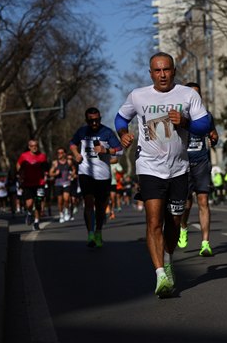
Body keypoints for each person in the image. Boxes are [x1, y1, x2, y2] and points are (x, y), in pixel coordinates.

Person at [115, 52, 212, 298]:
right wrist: (123, 134)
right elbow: (120, 117)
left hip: (179, 168)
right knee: (154, 221)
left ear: (174, 71)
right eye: (157, 71)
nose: (162, 75)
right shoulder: (138, 95)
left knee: (174, 222)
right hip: (149, 166)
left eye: (166, 70)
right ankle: (160, 274)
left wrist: (185, 122)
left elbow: (205, 125)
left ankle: (168, 260)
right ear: (150, 73)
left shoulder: (187, 95)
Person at [70, 107, 123, 248]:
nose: (94, 123)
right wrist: (76, 154)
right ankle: (90, 234)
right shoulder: (82, 131)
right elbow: (72, 144)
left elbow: (120, 150)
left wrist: (106, 150)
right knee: (88, 203)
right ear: (86, 120)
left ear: (100, 118)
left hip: (103, 175)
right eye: (91, 121)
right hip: (85, 172)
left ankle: (98, 231)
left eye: (97, 120)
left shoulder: (107, 132)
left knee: (100, 206)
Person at [177, 82, 218, 257]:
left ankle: (205, 243)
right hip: (183, 163)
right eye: (191, 93)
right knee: (185, 204)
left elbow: (213, 134)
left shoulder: (206, 115)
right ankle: (183, 226)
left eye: (197, 94)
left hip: (201, 162)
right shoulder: (178, 115)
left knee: (203, 201)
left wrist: (214, 138)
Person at [16, 139, 48, 231]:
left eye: (36, 145)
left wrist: (46, 174)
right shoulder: (24, 156)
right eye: (32, 146)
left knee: (38, 202)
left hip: (40, 183)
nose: (34, 147)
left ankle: (37, 222)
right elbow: (18, 164)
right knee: (29, 204)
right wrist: (20, 174)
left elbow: (45, 167)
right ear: (29, 147)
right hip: (28, 183)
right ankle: (29, 213)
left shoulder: (42, 156)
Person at [49, 147, 73, 223]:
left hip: (67, 183)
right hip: (58, 183)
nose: (59, 154)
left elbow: (74, 169)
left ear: (64, 154)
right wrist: (55, 174)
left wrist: (71, 175)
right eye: (58, 153)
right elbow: (50, 173)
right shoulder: (55, 163)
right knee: (60, 201)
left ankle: (66, 211)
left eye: (61, 153)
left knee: (66, 199)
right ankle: (61, 214)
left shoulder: (69, 162)